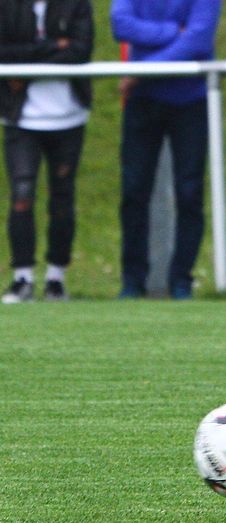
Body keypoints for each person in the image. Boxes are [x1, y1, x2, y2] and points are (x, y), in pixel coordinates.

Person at [109, 0, 222, 300]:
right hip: (142, 100)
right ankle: (132, 281)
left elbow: (198, 39)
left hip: (190, 100)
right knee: (133, 191)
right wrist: (173, 31)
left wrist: (142, 70)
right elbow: (120, 25)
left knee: (189, 193)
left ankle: (181, 280)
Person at [0, 0, 93, 303]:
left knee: (62, 199)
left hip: (68, 118)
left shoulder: (76, 4)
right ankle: (22, 277)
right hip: (21, 118)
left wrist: (28, 56)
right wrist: (53, 47)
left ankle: (56, 278)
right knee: (21, 195)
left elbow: (80, 50)